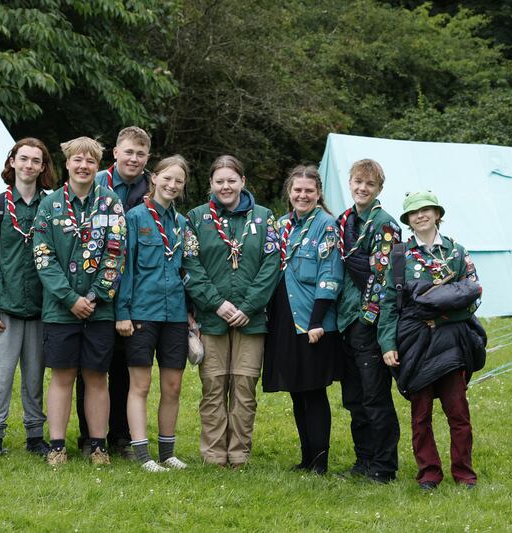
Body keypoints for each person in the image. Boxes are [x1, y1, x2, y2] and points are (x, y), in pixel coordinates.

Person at [379, 190, 485, 490]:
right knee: (421, 413)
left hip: (453, 341)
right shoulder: (399, 255)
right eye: (414, 212)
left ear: (437, 213)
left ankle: (464, 473)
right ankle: (429, 473)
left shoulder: (457, 251)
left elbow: (474, 295)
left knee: (458, 411)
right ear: (408, 220)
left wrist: (441, 317)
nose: (421, 215)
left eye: (426, 210)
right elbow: (387, 302)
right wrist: (388, 344)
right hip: (415, 344)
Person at [32, 136, 125, 466]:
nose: (83, 166)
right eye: (77, 160)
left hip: (99, 310)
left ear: (97, 166)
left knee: (97, 376)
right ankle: (57, 446)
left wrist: (95, 297)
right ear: (67, 164)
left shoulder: (112, 204)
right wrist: (71, 298)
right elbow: (43, 255)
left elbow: (116, 254)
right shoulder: (50, 205)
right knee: (62, 376)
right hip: (60, 310)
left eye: (90, 161)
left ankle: (98, 445)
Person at [182, 155, 279, 468]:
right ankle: (213, 453)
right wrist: (216, 303)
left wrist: (249, 305)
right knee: (213, 387)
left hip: (251, 320)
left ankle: (238, 453)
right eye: (219, 181)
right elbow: (191, 266)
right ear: (211, 184)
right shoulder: (196, 218)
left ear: (242, 182)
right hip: (212, 319)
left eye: (231, 180)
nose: (226, 186)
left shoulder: (265, 218)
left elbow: (271, 265)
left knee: (243, 387)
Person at [0, 138, 58, 458]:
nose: (28, 165)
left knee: (35, 376)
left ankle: (35, 435)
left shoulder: (51, 205)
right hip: (5, 305)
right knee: (1, 374)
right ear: (11, 162)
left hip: (41, 305)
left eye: (35, 160)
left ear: (43, 167)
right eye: (22, 158)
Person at [76, 126, 153, 458]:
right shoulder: (98, 183)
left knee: (125, 365)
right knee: (92, 365)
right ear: (115, 153)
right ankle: (88, 435)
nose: (133, 158)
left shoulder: (155, 186)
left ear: (147, 158)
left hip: (135, 289)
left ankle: (120, 435)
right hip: (95, 288)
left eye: (140, 153)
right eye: (128, 151)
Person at [262, 165, 343, 474]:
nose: (303, 195)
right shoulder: (281, 225)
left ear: (318, 193)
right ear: (289, 192)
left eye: (309, 190)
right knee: (297, 389)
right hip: (285, 318)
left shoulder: (326, 225)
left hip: (313, 319)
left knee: (314, 390)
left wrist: (317, 321)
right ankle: (306, 456)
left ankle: (320, 462)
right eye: (297, 190)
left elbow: (330, 273)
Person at [115, 155, 191, 472]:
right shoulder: (134, 218)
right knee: (141, 386)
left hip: (175, 315)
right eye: (167, 178)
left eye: (179, 181)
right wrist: (123, 312)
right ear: (154, 178)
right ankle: (142, 453)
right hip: (142, 314)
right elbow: (124, 269)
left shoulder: (183, 224)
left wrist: (192, 319)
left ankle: (167, 451)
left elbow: (188, 270)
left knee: (173, 386)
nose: (172, 185)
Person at [335, 159, 401, 483]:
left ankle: (384, 466)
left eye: (369, 185)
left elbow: (384, 279)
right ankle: (363, 460)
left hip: (368, 322)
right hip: (343, 321)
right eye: (358, 182)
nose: (362, 188)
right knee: (354, 398)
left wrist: (368, 320)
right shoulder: (345, 221)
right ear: (350, 183)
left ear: (378, 190)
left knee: (375, 397)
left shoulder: (385, 225)